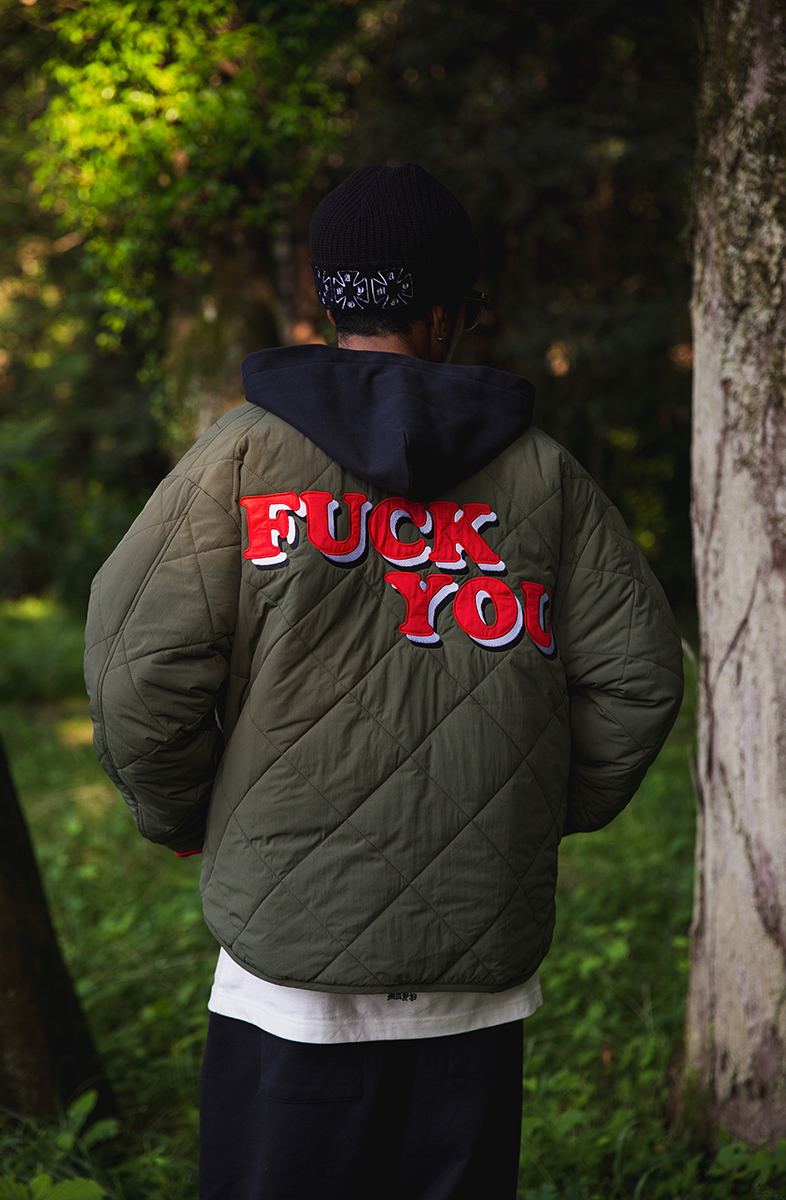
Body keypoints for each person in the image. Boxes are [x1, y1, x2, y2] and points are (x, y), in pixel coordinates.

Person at [84, 163, 684, 1200]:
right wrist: (520, 808)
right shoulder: (545, 476)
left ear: (329, 300)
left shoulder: (237, 460)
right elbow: (638, 680)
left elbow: (140, 673)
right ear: (445, 312)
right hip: (474, 987)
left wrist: (184, 812)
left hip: (284, 981)